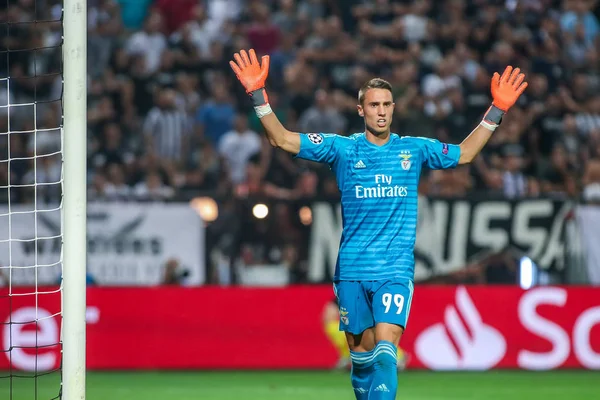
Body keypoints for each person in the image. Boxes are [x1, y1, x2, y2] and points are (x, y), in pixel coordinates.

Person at [230, 49, 527, 399]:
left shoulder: (414, 149)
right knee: (361, 360)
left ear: (393, 109)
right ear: (361, 110)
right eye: (374, 105)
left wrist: (497, 110)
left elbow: (465, 153)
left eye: (387, 105)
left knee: (387, 351)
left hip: (395, 268)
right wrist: (258, 96)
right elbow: (281, 138)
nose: (381, 111)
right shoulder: (340, 148)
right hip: (352, 269)